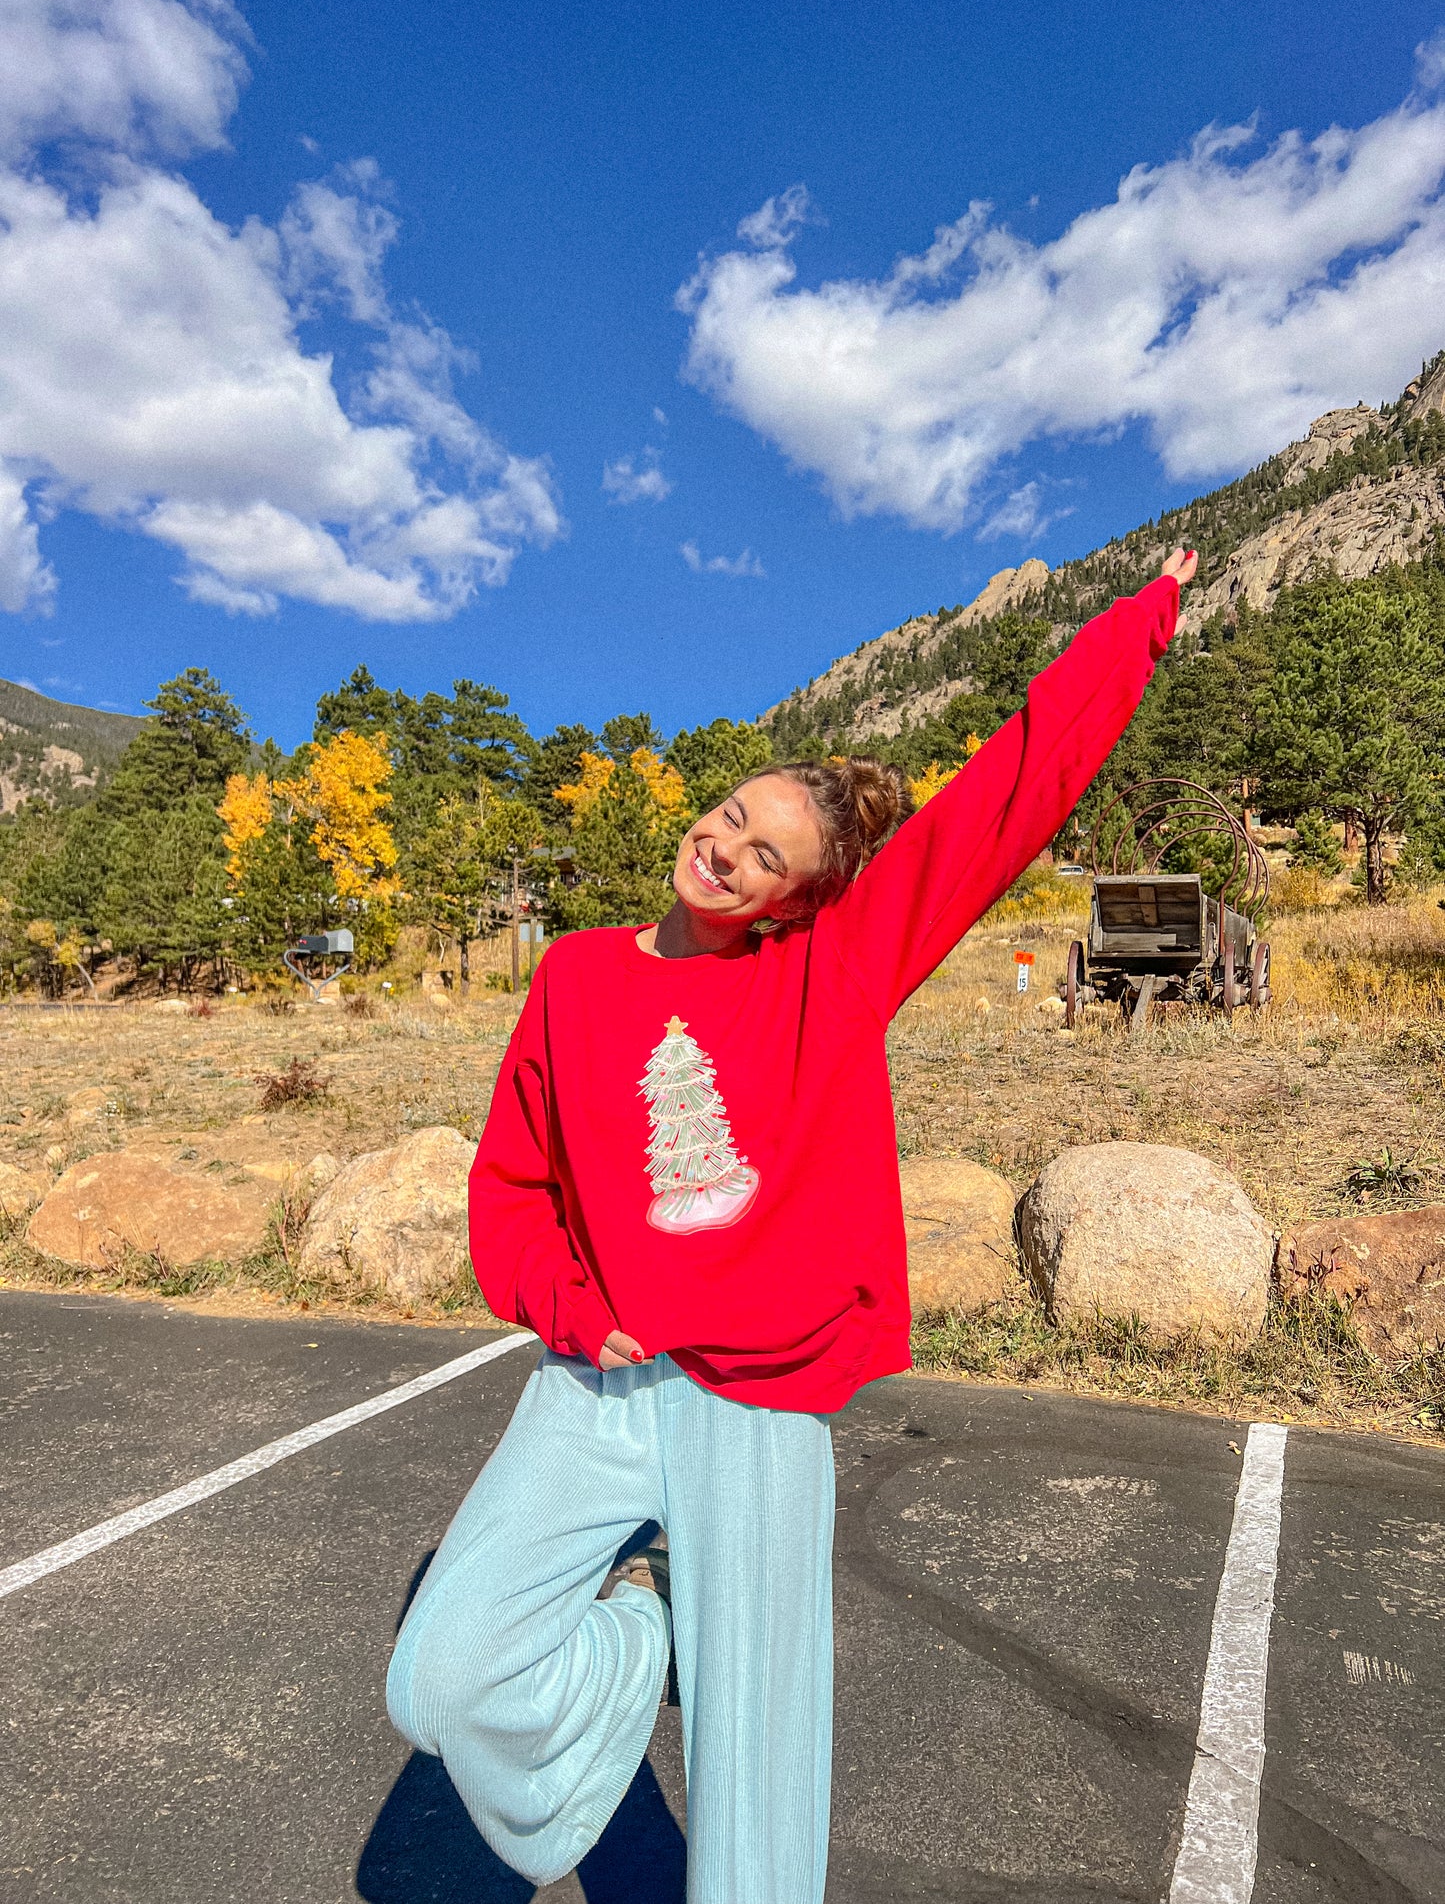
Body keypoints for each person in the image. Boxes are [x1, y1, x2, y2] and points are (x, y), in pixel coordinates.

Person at [386, 548, 1199, 1902]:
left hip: (755, 1398)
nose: (727, 850)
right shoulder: (580, 976)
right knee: (442, 1676)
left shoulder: (836, 962)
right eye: (729, 817)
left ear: (798, 898)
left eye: (769, 856)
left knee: (755, 1777)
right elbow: (513, 1186)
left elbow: (1005, 793)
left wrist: (1133, 627)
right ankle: (637, 1639)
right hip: (594, 1381)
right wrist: (575, 1310)